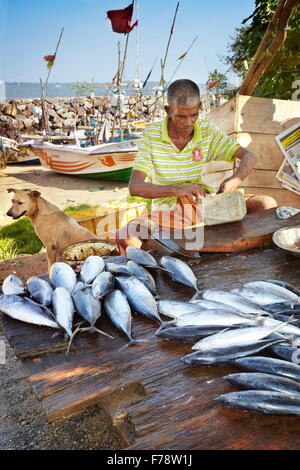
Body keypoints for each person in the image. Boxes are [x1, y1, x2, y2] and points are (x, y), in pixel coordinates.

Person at [112, 79, 277, 254]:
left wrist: (235, 179)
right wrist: (176, 190)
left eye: (194, 115)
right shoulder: (151, 136)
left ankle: (191, 247)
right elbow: (135, 187)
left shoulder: (206, 130)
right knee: (127, 235)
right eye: (181, 116)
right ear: (168, 111)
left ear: (199, 107)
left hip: (205, 206)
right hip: (170, 212)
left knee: (266, 204)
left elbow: (249, 156)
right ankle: (207, 246)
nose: (189, 123)